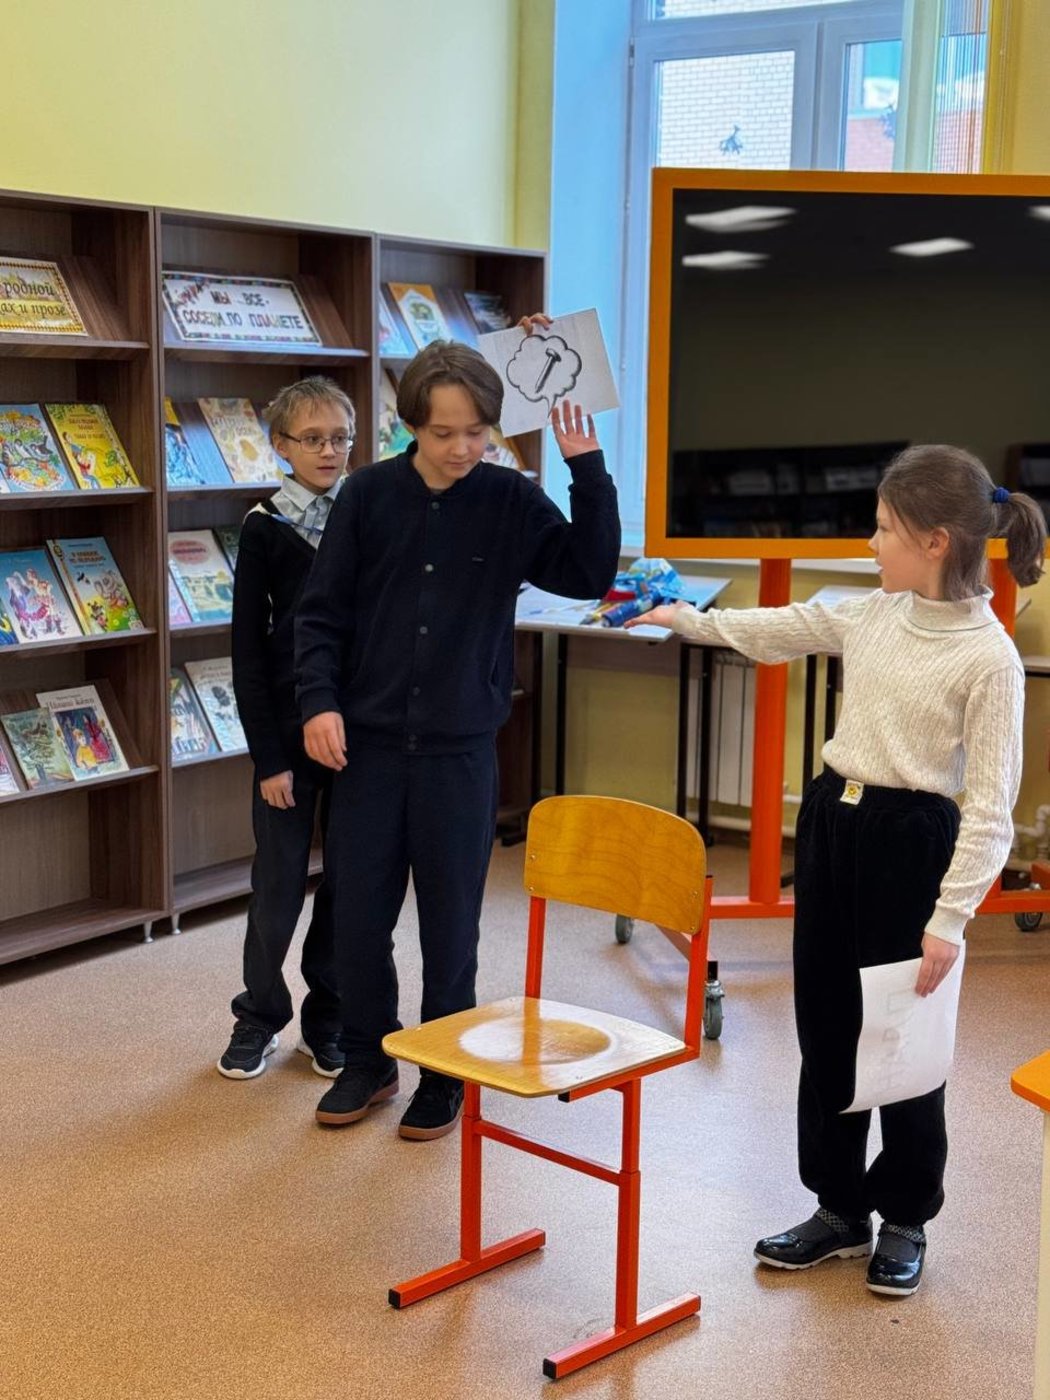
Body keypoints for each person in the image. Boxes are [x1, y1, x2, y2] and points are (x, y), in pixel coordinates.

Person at [628, 445, 1045, 1296]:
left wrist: (950, 920)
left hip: (911, 843)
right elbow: (777, 630)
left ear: (935, 542)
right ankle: (840, 1208)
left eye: (884, 529)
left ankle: (906, 1218)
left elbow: (991, 808)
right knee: (826, 1026)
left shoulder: (990, 658)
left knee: (902, 1038)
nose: (870, 543)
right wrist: (685, 619)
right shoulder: (875, 613)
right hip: (832, 824)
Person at [295, 318, 620, 1140]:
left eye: (477, 432)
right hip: (366, 750)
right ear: (411, 425)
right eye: (444, 433)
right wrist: (319, 702)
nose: (463, 448)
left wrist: (587, 469)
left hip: (460, 755)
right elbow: (321, 614)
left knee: (451, 930)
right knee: (358, 918)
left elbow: (587, 573)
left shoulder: (509, 498)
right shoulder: (367, 495)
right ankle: (368, 1060)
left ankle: (444, 1074)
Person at [217, 375, 356, 1081]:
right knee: (277, 888)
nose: (328, 451)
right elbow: (247, 653)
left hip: (355, 737)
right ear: (281, 446)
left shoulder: (365, 514)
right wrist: (269, 758)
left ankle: (327, 1019)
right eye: (312, 439)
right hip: (286, 744)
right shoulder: (264, 526)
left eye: (340, 438)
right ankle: (258, 1015)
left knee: (348, 886)